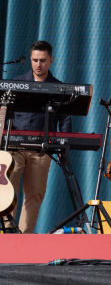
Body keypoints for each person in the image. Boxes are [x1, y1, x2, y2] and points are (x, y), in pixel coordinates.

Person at [5, 41, 72, 233]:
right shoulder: (17, 84)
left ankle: (24, 236)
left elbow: (65, 119)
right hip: (14, 147)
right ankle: (8, 231)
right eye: (34, 60)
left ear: (51, 60)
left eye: (42, 60)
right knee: (8, 190)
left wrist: (62, 144)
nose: (38, 64)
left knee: (35, 193)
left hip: (42, 150)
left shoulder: (59, 88)